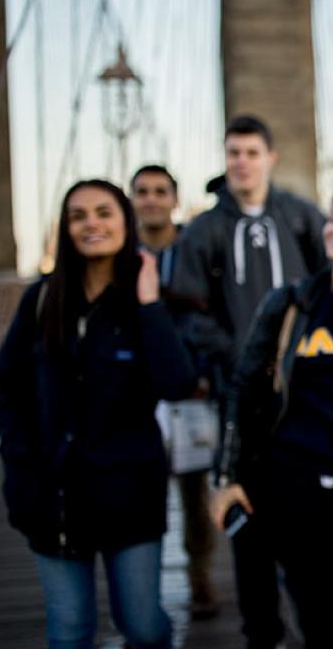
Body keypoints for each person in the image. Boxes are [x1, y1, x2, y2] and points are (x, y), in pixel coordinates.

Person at [0, 179, 196, 648]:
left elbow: (177, 382)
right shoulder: (41, 300)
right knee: (70, 630)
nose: (91, 224)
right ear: (65, 228)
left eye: (104, 213)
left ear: (126, 221)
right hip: (55, 496)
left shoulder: (144, 302)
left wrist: (148, 304)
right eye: (78, 215)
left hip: (130, 494)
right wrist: (19, 461)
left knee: (144, 627)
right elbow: (6, 384)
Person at [212, 183, 333, 648]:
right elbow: (244, 387)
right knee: (319, 626)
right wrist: (228, 476)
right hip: (296, 490)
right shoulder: (291, 304)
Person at [170, 114, 327, 648]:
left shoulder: (303, 218)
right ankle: (261, 629)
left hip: (303, 390)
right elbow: (187, 310)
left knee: (304, 503)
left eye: (252, 152)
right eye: (233, 152)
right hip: (237, 396)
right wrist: (237, 355)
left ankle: (317, 620)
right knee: (245, 508)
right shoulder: (204, 230)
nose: (242, 162)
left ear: (270, 158)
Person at [130, 164, 219, 620]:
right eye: (141, 191)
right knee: (137, 485)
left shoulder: (193, 248)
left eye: (159, 191)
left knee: (193, 486)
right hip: (135, 387)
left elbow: (210, 310)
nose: (150, 199)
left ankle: (200, 574)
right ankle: (136, 589)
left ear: (174, 199)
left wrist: (204, 371)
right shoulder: (120, 254)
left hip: (189, 383)